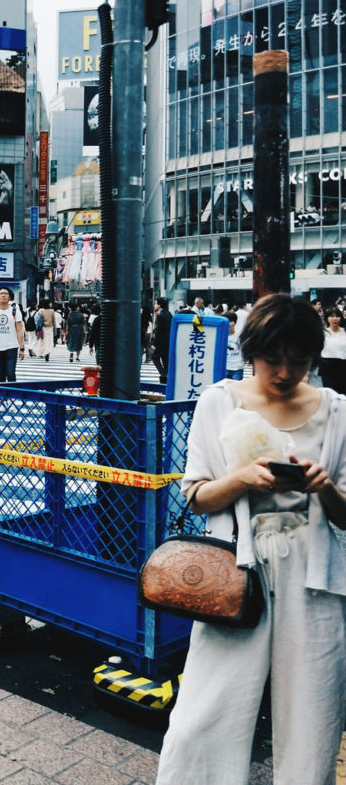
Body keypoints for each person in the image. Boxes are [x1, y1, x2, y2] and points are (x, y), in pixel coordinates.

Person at [155, 293, 346, 785]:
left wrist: (326, 488)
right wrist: (246, 479)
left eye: (299, 359)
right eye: (272, 358)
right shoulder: (220, 401)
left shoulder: (338, 413)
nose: (284, 371)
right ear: (250, 353)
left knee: (313, 717)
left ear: (313, 357)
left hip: (316, 581)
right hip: (238, 573)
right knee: (204, 715)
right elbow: (195, 496)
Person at [0, 288, 25, 383]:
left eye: (5, 294)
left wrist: (22, 348)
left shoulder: (15, 312)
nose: (3, 295)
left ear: (9, 297)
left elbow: (20, 330)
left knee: (11, 373)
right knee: (1, 376)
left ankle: (12, 395)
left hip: (12, 347)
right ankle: (3, 397)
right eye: (1, 293)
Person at [319, 306, 346, 394]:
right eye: (331, 316)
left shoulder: (345, 332)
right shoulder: (323, 333)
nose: (335, 319)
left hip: (343, 366)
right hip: (327, 366)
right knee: (330, 393)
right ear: (327, 318)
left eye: (337, 316)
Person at [151, 296, 172, 385]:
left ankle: (163, 374)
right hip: (168, 340)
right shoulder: (169, 313)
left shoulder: (160, 315)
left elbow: (159, 331)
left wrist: (154, 344)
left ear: (159, 305)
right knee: (165, 359)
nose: (155, 305)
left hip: (161, 341)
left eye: (156, 303)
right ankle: (166, 376)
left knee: (155, 357)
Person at [225, 310, 245, 380]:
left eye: (230, 321)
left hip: (237, 369)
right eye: (226, 321)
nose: (228, 323)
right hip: (225, 368)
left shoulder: (240, 336)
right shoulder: (221, 336)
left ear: (235, 322)